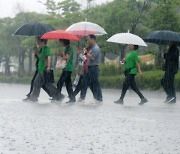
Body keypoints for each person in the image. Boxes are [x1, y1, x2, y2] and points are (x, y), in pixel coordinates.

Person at [79, 34, 103, 103]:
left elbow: (92, 58)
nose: (88, 41)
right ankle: (84, 97)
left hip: (94, 68)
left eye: (88, 39)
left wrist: (86, 53)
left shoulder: (96, 48)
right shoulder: (92, 48)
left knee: (95, 83)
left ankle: (98, 98)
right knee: (86, 82)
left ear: (93, 39)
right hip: (90, 68)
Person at [56, 39, 75, 103]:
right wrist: (61, 55)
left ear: (64, 42)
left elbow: (67, 57)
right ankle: (72, 98)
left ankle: (58, 98)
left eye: (61, 42)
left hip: (67, 68)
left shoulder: (69, 49)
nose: (60, 43)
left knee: (59, 83)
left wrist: (61, 55)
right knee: (68, 85)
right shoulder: (67, 48)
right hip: (67, 69)